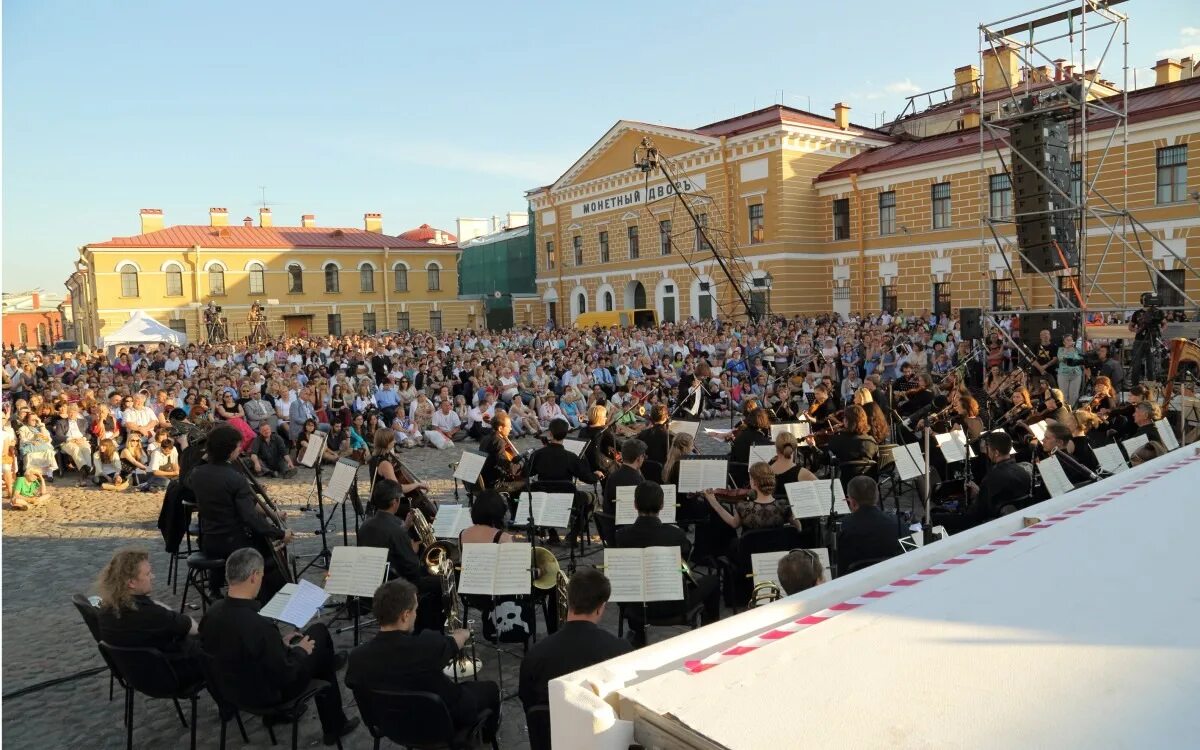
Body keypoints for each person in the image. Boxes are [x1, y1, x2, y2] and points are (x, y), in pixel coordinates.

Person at [200, 548, 358, 746]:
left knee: (316, 648)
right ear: (254, 576)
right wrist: (300, 651)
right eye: (261, 575)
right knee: (319, 634)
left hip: (232, 692)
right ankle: (335, 726)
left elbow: (237, 650)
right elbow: (285, 673)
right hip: (270, 695)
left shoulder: (212, 613)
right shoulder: (259, 625)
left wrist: (278, 643)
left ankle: (326, 678)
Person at [345, 580, 499, 745]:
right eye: (415, 610)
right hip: (441, 726)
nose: (416, 615)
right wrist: (464, 634)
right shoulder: (427, 646)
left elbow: (354, 685)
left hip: (391, 727)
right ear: (405, 615)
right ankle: (486, 737)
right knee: (490, 689)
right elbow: (455, 641)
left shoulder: (357, 657)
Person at [186, 424, 293, 602]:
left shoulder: (197, 473)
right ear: (229, 450)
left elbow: (188, 478)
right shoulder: (234, 478)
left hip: (209, 541)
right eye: (237, 446)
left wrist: (208, 454)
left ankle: (217, 588)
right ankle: (267, 601)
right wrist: (280, 534)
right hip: (234, 544)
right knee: (269, 556)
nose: (240, 450)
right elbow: (250, 517)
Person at [615, 482, 720, 647]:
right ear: (662, 505)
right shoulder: (675, 534)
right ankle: (710, 635)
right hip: (674, 605)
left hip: (636, 607)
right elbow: (685, 561)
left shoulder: (621, 536)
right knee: (712, 581)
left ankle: (639, 636)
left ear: (635, 505)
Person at [518, 568, 631, 714]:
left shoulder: (534, 655)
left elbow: (527, 701)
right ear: (600, 608)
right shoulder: (621, 650)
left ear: (569, 600)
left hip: (549, 728)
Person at [95, 546, 201, 682]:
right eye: (148, 574)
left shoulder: (105, 610)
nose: (153, 577)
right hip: (168, 677)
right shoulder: (152, 614)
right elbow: (193, 628)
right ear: (131, 583)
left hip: (132, 674)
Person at [358, 479, 445, 632]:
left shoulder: (365, 526)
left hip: (373, 581)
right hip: (397, 584)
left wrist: (405, 527)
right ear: (395, 502)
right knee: (442, 581)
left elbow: (384, 539)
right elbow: (412, 569)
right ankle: (429, 630)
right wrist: (415, 549)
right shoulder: (395, 530)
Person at [958, 432, 1033, 530]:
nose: (987, 452)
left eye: (988, 448)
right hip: (1021, 522)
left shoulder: (991, 478)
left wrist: (976, 495)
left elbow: (976, 514)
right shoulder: (1023, 471)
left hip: (997, 526)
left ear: (996, 453)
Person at [702, 462, 798, 532]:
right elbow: (798, 528)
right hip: (777, 549)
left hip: (751, 551)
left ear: (754, 482)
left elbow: (734, 524)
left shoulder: (743, 507)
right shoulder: (784, 505)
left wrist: (713, 502)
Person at [836, 476, 902, 573]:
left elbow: (836, 560)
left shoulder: (841, 527)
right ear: (877, 497)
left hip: (854, 579)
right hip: (890, 576)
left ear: (852, 502)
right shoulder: (898, 523)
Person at [478, 411, 524, 496]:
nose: (511, 429)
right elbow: (505, 464)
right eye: (509, 426)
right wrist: (521, 466)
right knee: (524, 484)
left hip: (483, 479)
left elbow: (508, 457)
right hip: (493, 483)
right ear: (500, 428)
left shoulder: (486, 438)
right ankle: (514, 504)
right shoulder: (499, 441)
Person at [601, 438, 646, 516]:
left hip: (611, 520)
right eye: (643, 456)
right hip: (631, 521)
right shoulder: (638, 480)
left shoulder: (612, 476)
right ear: (638, 458)